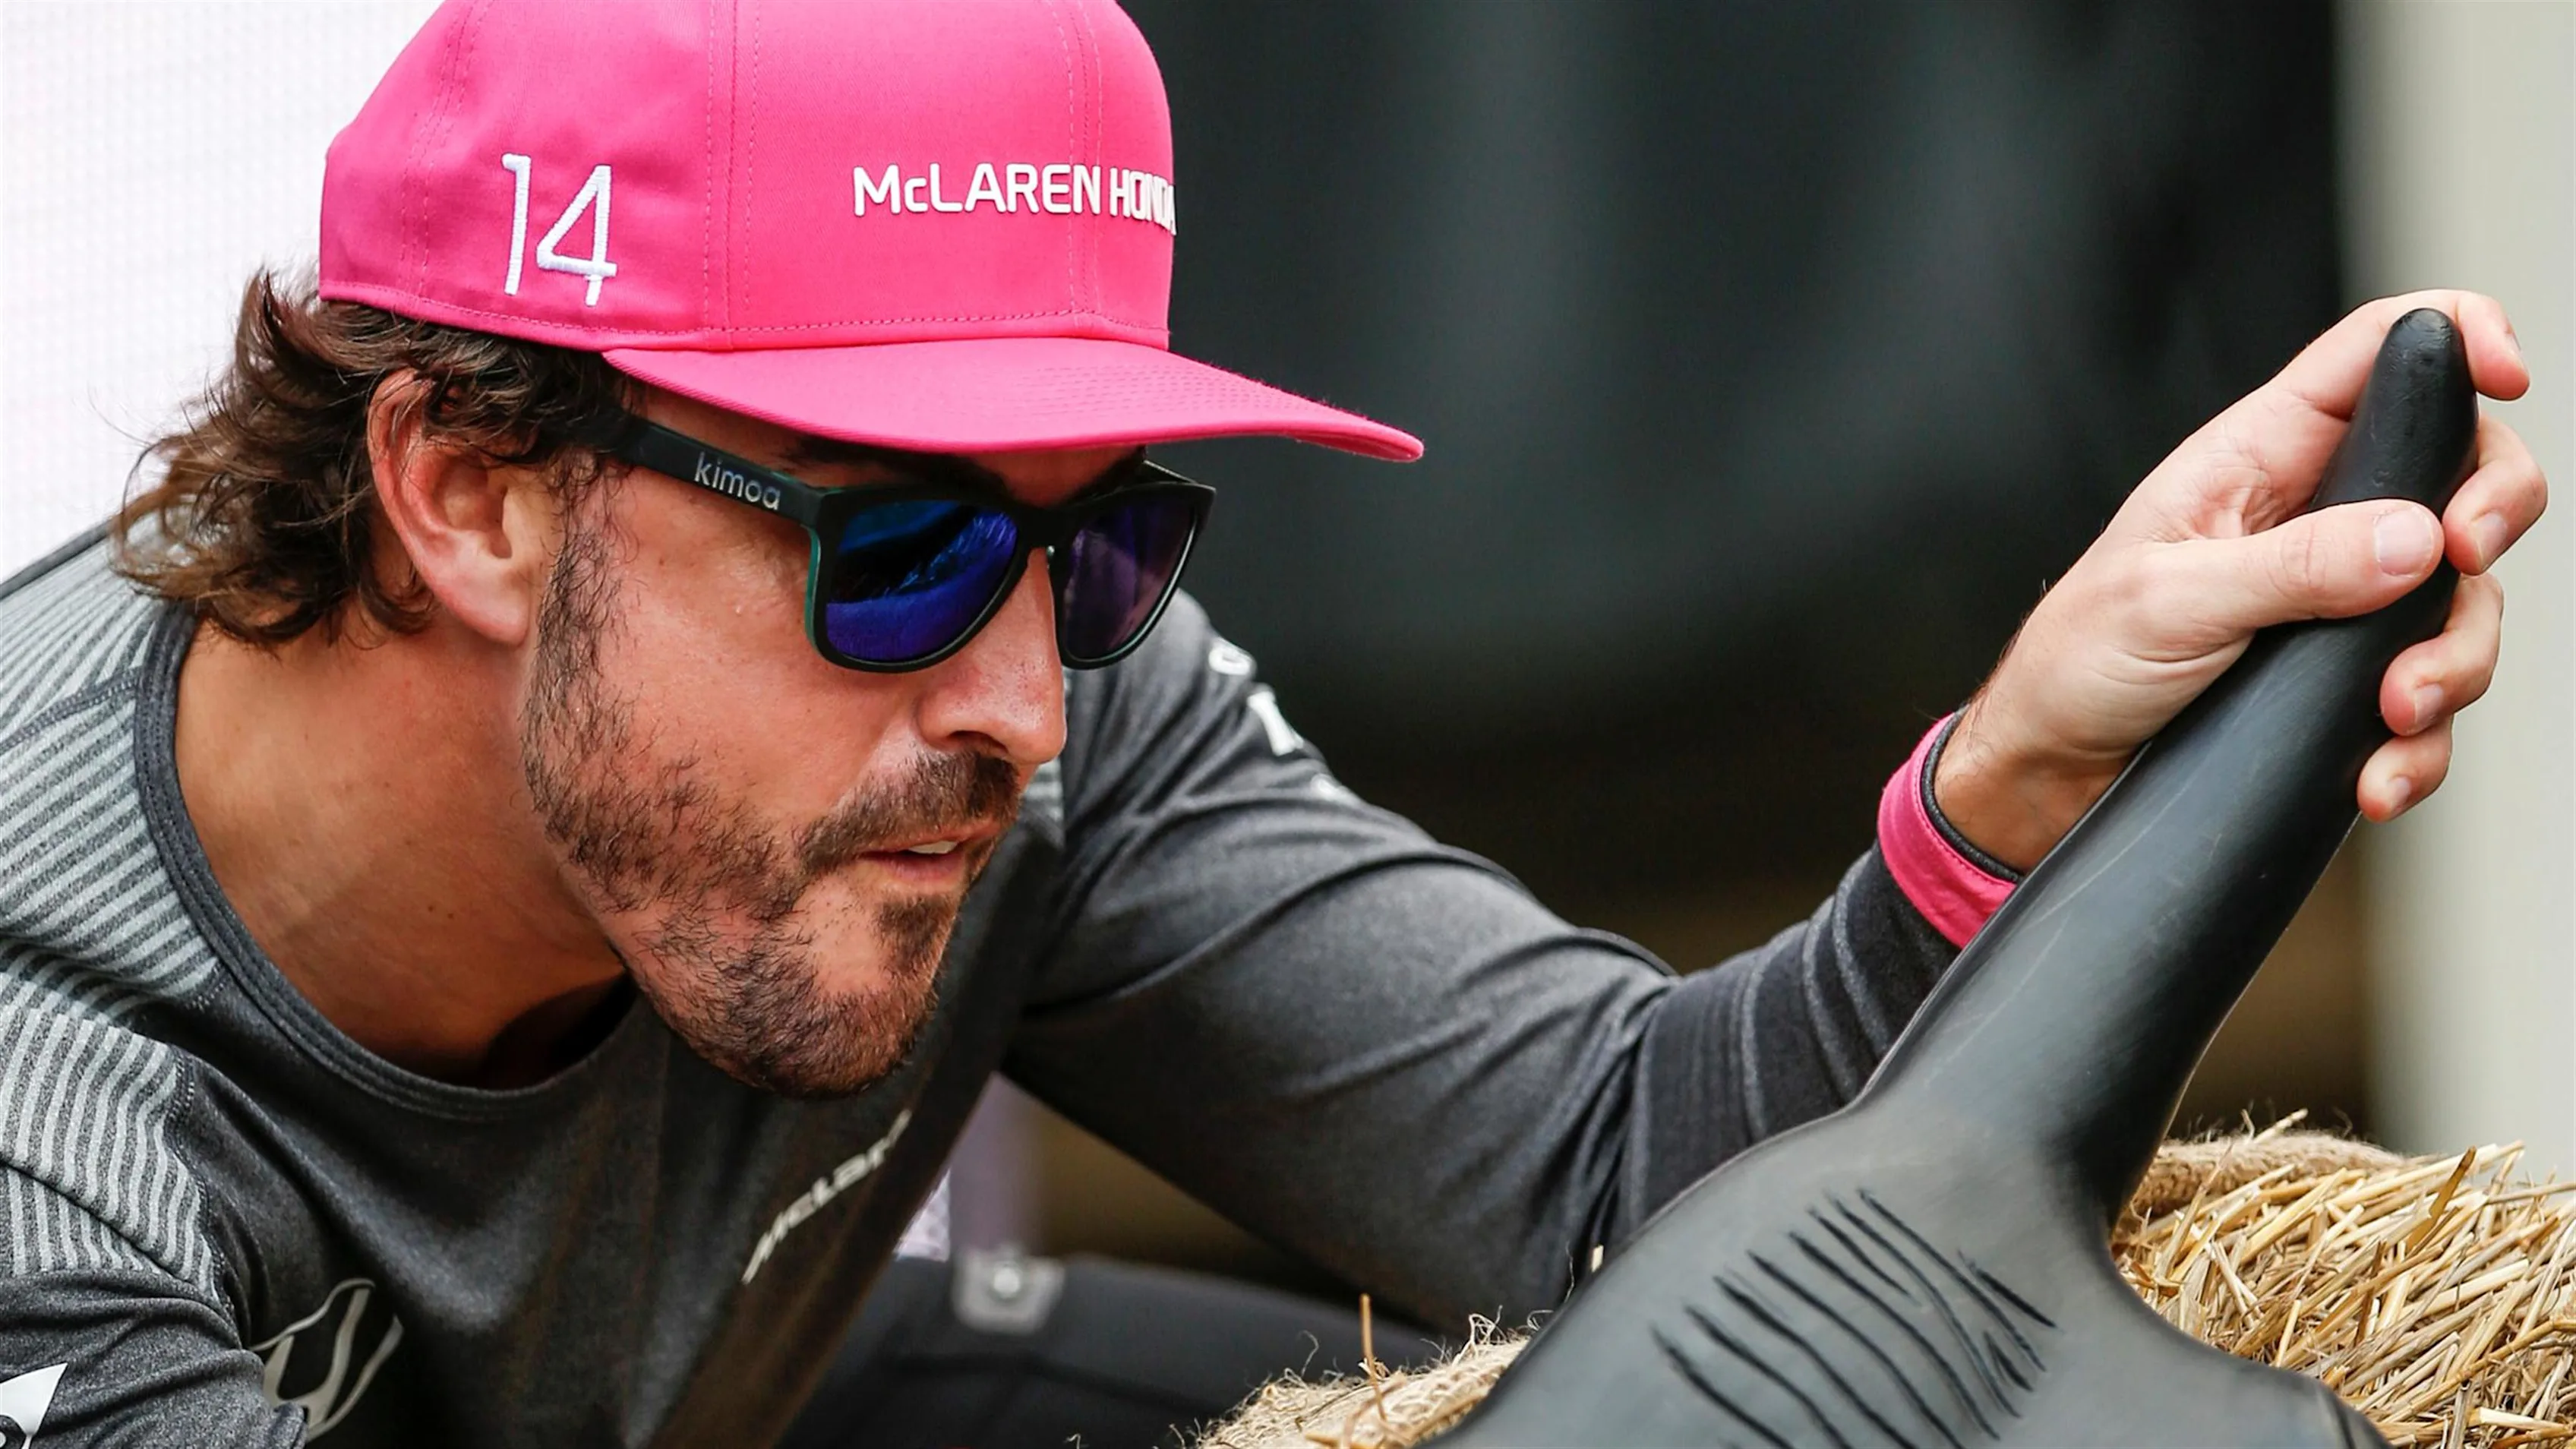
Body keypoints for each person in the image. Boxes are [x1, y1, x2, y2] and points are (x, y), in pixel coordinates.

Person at [0, 2, 2545, 1445]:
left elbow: (1621, 1189)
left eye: (1100, 537)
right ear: (468, 489)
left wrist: (2011, 782)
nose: (1025, 698)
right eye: (898, 549)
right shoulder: (43, 1126)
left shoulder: (1009, 715)